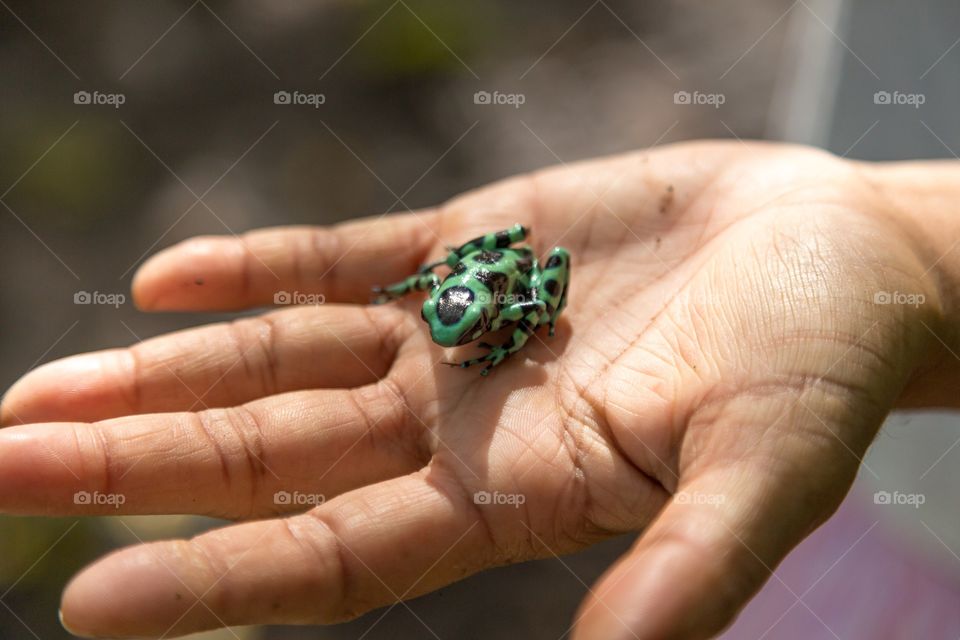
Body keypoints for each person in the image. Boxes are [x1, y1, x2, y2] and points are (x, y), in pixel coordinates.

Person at [1, 140, 957, 639]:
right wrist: (903, 228)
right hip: (479, 295)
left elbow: (506, 312)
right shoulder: (466, 292)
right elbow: (464, 296)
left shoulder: (496, 303)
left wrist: (907, 246)